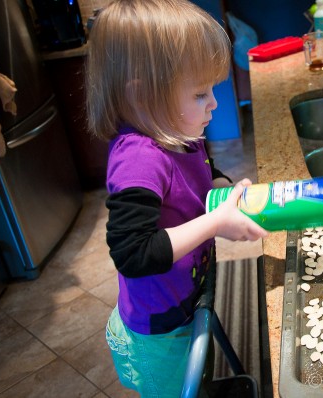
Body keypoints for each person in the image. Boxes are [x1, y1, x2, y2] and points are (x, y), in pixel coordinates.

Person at [85, 0, 268, 396]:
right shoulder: (138, 158)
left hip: (186, 298)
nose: (214, 104)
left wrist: (222, 190)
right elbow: (133, 253)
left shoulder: (178, 131)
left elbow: (202, 174)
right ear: (141, 96)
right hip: (159, 331)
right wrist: (216, 223)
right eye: (201, 93)